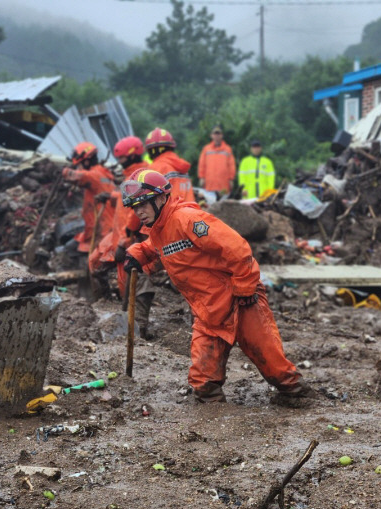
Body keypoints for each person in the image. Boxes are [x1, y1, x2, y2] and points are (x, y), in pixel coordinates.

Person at [121, 169, 312, 404]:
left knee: (275, 367)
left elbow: (236, 248)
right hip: (208, 309)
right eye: (134, 207)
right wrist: (138, 253)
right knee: (203, 381)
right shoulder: (160, 228)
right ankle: (215, 427)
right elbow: (159, 246)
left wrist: (244, 288)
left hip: (240, 299)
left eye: (142, 204)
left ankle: (299, 396)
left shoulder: (187, 219)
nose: (138, 212)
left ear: (161, 198)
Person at [88, 136, 156, 338]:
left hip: (134, 238)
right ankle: (104, 305)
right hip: (120, 234)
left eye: (121, 158)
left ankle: (138, 329)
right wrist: (112, 196)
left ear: (130, 155)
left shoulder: (142, 175)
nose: (119, 162)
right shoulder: (131, 175)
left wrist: (125, 241)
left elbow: (136, 212)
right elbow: (126, 197)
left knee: (136, 279)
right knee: (96, 263)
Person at [62, 141, 115, 253]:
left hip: (102, 231)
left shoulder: (94, 175)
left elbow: (79, 176)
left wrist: (64, 171)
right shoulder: (102, 173)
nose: (78, 168)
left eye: (78, 165)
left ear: (86, 161)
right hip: (101, 228)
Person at [144, 127, 195, 202]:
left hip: (172, 213)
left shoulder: (156, 168)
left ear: (151, 150)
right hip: (192, 211)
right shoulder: (180, 166)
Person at [198, 125, 236, 194]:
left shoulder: (227, 149)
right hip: (209, 185)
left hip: (223, 185)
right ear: (211, 135)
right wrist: (201, 177)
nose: (217, 136)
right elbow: (202, 164)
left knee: (223, 204)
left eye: (218, 134)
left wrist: (231, 179)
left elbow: (231, 165)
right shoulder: (206, 149)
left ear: (222, 135)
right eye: (215, 134)